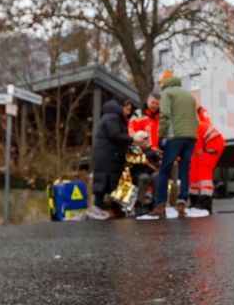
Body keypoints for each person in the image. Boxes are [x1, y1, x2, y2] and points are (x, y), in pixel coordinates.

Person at [146, 75, 199, 218]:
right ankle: (182, 202)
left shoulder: (167, 93)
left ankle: (160, 204)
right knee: (184, 170)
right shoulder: (190, 97)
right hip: (191, 138)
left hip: (175, 136)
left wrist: (161, 135)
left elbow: (164, 115)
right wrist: (193, 135)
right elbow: (196, 119)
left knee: (164, 170)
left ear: (166, 84)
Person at [89, 99, 133, 220]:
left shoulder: (111, 116)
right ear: (120, 107)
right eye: (127, 109)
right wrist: (132, 139)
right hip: (108, 155)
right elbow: (115, 135)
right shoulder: (113, 118)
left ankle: (108, 208)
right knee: (105, 180)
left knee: (109, 180)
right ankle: (98, 207)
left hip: (108, 155)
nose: (128, 113)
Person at [189, 106, 225, 211]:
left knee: (204, 170)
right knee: (194, 172)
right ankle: (195, 200)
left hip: (213, 142)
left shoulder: (191, 120)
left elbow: (196, 137)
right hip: (207, 141)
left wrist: (199, 150)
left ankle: (205, 201)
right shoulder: (193, 116)